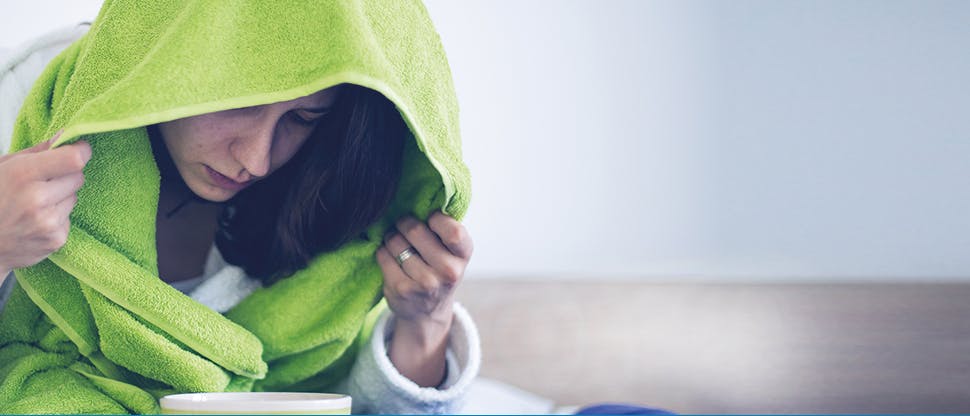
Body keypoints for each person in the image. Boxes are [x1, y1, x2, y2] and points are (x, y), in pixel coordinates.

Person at [0, 1, 478, 414]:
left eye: (303, 118)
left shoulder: (327, 198)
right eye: (239, 103)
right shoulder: (22, 109)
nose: (256, 159)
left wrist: (425, 323)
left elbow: (346, 398)